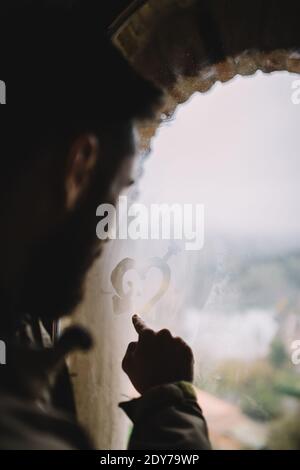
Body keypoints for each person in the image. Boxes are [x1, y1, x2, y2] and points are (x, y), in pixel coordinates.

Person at [0, 9, 211, 450]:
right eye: (116, 195)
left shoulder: (22, 328)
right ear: (78, 166)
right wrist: (170, 400)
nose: (109, 230)